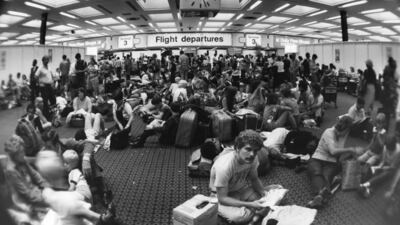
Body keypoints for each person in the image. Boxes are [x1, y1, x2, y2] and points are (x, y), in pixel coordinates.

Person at [209, 130, 281, 224]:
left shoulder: (253, 158)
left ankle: (255, 213)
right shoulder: (224, 166)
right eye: (248, 149)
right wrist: (250, 204)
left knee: (277, 190)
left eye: (255, 151)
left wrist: (264, 193)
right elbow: (223, 198)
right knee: (240, 217)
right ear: (238, 148)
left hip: (241, 190)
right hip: (221, 196)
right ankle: (257, 213)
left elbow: (254, 179)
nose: (252, 154)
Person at [306, 116, 364, 209]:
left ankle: (319, 196)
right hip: (318, 158)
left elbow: (338, 154)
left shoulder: (342, 135)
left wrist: (351, 155)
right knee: (316, 173)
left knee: (326, 176)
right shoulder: (329, 132)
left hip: (331, 163)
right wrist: (351, 149)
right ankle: (322, 195)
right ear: (343, 128)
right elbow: (333, 151)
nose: (347, 134)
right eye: (347, 131)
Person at [35, 55, 56, 120]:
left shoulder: (49, 67)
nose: (47, 61)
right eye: (45, 60)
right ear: (43, 61)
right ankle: (47, 116)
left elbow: (52, 75)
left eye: (48, 59)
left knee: (53, 100)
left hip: (49, 86)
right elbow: (36, 76)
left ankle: (53, 114)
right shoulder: (40, 68)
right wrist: (40, 83)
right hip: (43, 87)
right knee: (45, 102)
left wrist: (53, 82)